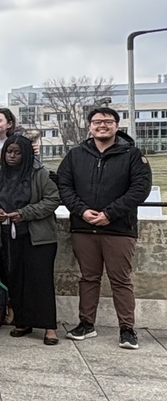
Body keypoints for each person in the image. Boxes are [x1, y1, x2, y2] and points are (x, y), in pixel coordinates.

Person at [57, 107, 152, 349]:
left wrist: (110, 213)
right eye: (97, 121)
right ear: (89, 126)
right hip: (84, 227)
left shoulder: (132, 155)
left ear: (117, 126)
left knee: (120, 280)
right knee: (88, 278)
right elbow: (64, 185)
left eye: (108, 122)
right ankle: (86, 324)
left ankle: (127, 329)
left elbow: (140, 189)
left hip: (119, 229)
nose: (102, 125)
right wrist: (82, 210)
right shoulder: (76, 155)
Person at [0, 136, 60, 345]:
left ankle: (49, 327)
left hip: (37, 236)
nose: (12, 156)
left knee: (40, 281)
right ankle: (23, 320)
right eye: (9, 152)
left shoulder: (39, 173)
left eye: (17, 152)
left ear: (25, 154)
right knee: (14, 279)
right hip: (8, 234)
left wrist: (25, 213)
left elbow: (52, 199)